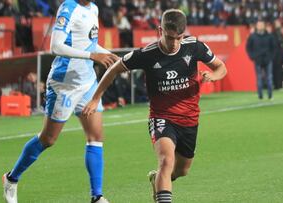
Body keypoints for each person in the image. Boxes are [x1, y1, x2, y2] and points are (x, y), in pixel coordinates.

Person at [82, 9, 227, 203]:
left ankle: (157, 179)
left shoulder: (195, 47)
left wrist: (213, 76)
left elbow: (221, 67)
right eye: (169, 37)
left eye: (179, 38)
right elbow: (113, 69)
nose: (174, 43)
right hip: (161, 117)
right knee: (166, 162)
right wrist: (95, 98)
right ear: (160, 30)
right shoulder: (146, 54)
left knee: (182, 170)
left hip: (190, 119)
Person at [2, 0, 118, 203]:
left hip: (87, 81)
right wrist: (93, 55)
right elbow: (55, 46)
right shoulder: (68, 8)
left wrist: (107, 54)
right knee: (48, 139)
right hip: (64, 83)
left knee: (96, 137)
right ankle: (11, 178)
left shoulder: (93, 8)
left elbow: (88, 42)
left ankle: (96, 196)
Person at [246, 19, 276, 100]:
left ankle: (270, 95)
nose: (260, 26)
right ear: (256, 26)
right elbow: (248, 47)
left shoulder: (270, 36)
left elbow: (274, 48)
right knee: (259, 78)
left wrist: (271, 57)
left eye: (262, 25)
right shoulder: (252, 36)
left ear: (264, 26)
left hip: (268, 59)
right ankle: (260, 95)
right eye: (259, 25)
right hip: (258, 59)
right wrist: (252, 56)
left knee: (269, 77)